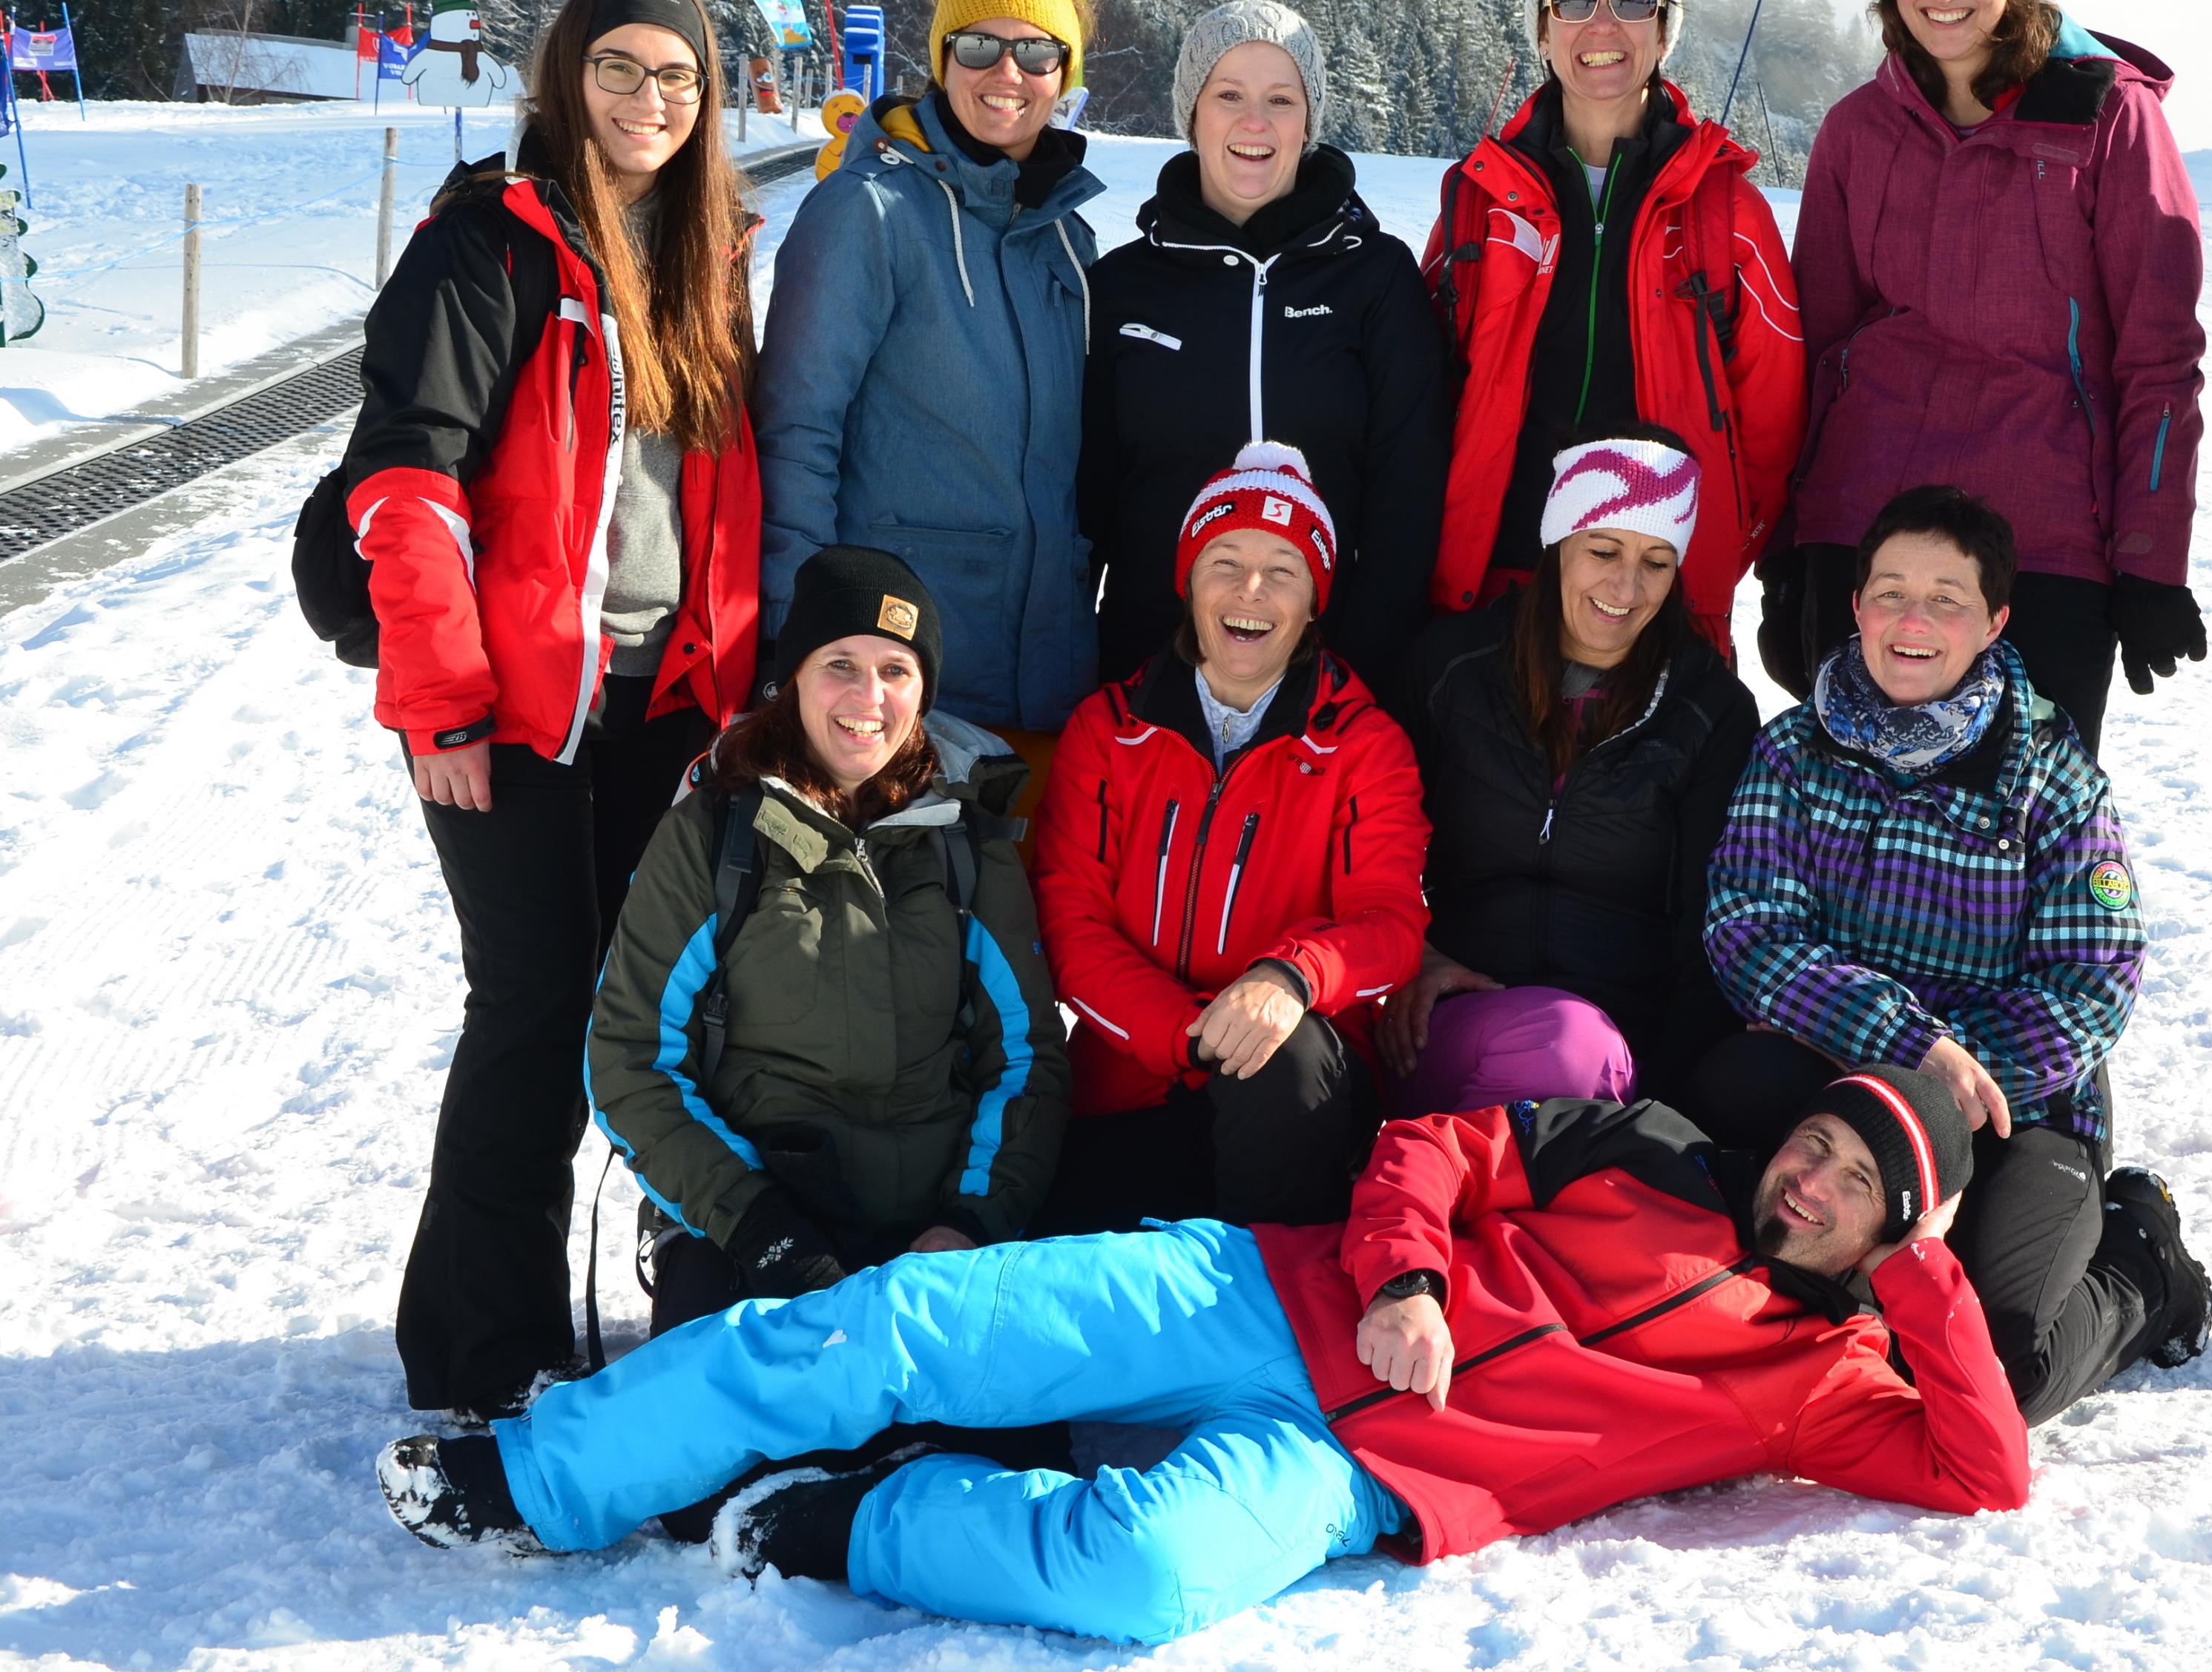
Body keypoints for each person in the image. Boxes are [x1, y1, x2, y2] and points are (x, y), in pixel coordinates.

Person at [378, 1065, 2027, 1645]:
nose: (1809, 1180)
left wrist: (1926, 1270)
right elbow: (1435, 1145)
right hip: (1256, 1292)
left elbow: (1982, 1468)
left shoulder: (1824, 1386)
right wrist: (1408, 1276)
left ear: (1894, 1232)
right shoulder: (1650, 1145)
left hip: (1362, 1472)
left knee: (1144, 1576)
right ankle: (539, 1475)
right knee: (892, 1323)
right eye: (1817, 1141)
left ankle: (841, 1517)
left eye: (1856, 1187)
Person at [340, 0, 762, 1417]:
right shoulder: (491, 241)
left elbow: (717, 489)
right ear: (567, 75)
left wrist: (729, 681)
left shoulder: (707, 251)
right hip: (510, 703)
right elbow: (408, 479)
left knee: (637, 1005)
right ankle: (479, 1350)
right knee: (532, 1001)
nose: (650, 99)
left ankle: (625, 1293)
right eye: (620, 68)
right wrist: (440, 698)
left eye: (678, 77)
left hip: (659, 699)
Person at [1693, 485, 2211, 1423]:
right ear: (1856, 605)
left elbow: (2092, 985)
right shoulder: (1793, 751)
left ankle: (2142, 1263)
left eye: (1946, 599)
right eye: (1891, 593)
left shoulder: (2052, 774)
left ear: (1994, 620)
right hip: (1839, 1076)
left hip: (2013, 1105)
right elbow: (1749, 931)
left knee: (1995, 1365)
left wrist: (1951, 1083)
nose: (1913, 622)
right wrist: (1907, 1052)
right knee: (1720, 1239)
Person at [584, 544, 1073, 1533]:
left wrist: (969, 1225)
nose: (868, 697)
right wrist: (760, 1227)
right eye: (840, 665)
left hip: (926, 1228)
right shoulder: (714, 834)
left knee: (1014, 1468)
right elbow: (629, 1057)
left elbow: (1024, 1058)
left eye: (896, 671)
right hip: (759, 1220)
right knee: (703, 1486)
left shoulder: (966, 842)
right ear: (793, 680)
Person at [1770, 0, 2209, 758]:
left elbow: (2159, 356)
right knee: (1846, 824)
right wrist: (1788, 547)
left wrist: (2149, 559)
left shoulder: (2108, 119)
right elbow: (1813, 353)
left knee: (2017, 823)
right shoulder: (1856, 131)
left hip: (2040, 542)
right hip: (1864, 529)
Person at [1028, 444, 1430, 1231]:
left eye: (1284, 569)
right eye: (1226, 562)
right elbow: (1069, 922)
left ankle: (1275, 1286)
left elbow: (1389, 921)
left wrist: (1290, 977)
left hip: (1294, 1086)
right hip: (1132, 1074)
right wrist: (1186, 1034)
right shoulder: (1107, 730)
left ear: (1314, 601)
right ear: (1188, 582)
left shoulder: (1364, 743)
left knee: (1281, 1057)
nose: (1252, 591)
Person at [1420, 0, 1803, 660]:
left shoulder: (1726, 212)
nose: (1602, 23)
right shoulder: (1478, 199)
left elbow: (1772, 428)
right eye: (1573, 0)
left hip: (1658, 601)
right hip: (1494, 588)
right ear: (1542, 33)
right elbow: (1423, 396)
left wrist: (1712, 554)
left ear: (1663, 35)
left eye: (1631, 0)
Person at [757, 0, 1103, 735]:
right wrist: (794, 633)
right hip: (894, 678)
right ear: (943, 60)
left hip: (1048, 678)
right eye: (978, 46)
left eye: (1036, 52)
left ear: (1064, 74)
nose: (1008, 72)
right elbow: (795, 431)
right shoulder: (868, 211)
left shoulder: (1065, 239)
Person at [1081, 0, 1453, 691]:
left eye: (1281, 100)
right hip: (1151, 671)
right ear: (1192, 114)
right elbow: (1088, 503)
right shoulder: (1124, 287)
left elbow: (1408, 495)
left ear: (1308, 121)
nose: (1255, 122)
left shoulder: (1374, 277)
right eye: (1229, 96)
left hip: (1329, 676)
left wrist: (1361, 669)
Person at [1384, 431, 1758, 1110]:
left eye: (1656, 562)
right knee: (1559, 1048)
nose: (1626, 587)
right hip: (1455, 1015)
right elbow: (1369, 841)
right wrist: (1412, 951)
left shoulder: (1709, 709)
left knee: (1571, 1050)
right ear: (1559, 542)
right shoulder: (1452, 667)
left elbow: (1707, 922)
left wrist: (1667, 1102)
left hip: (1622, 1042)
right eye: (1603, 551)